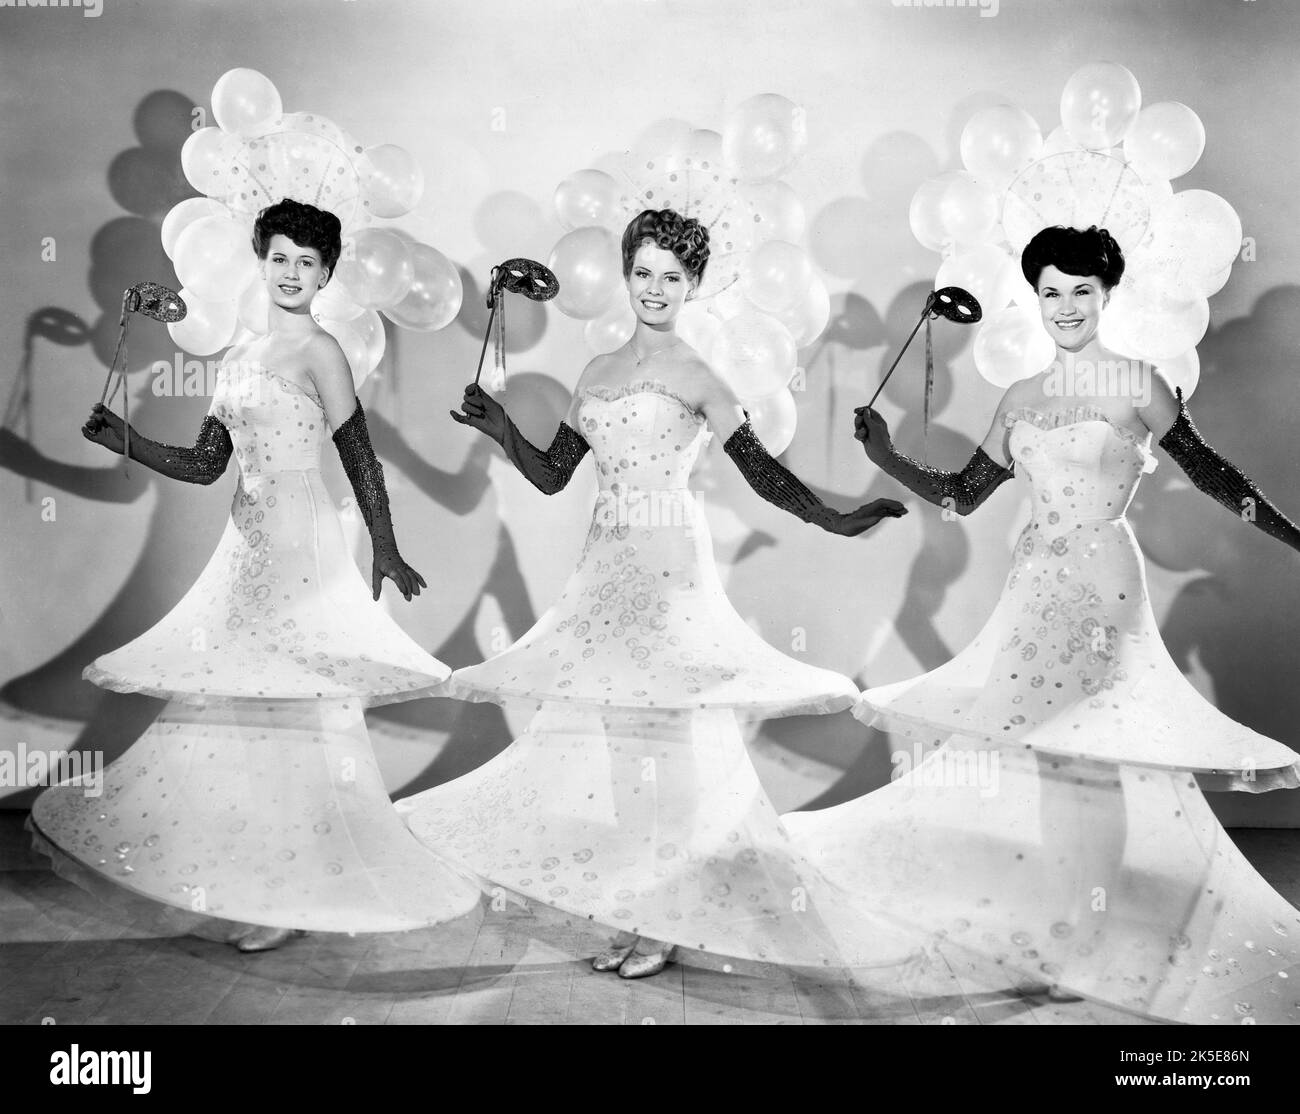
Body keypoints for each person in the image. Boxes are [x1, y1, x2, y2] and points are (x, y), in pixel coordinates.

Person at [785, 225, 1300, 1023]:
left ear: (1106, 294)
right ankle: (1068, 927)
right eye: (1051, 292)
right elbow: (963, 497)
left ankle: (1086, 938)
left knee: (1095, 756)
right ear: (1036, 298)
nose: (1065, 307)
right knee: (1043, 757)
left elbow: (1213, 473)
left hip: (1102, 585)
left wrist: (1297, 537)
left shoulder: (1140, 383)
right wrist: (886, 455)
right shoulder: (1021, 398)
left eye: (1081, 291)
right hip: (1031, 589)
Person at [397, 208, 916, 980]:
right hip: (605, 569)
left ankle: (663, 920)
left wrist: (839, 519)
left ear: (694, 286)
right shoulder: (597, 373)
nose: (655, 289)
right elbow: (552, 475)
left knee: (665, 750)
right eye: (643, 273)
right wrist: (499, 426)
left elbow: (764, 474)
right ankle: (641, 910)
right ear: (626, 274)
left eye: (672, 277)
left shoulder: (701, 378)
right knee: (620, 748)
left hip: (671, 566)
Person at [29, 198, 480, 951]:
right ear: (261, 261)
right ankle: (251, 877)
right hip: (245, 545)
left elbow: (358, 455)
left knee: (298, 709)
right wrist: (128, 439)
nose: (292, 273)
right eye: (280, 258)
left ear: (327, 273)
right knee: (245, 707)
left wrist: (386, 546)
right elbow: (207, 465)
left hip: (303, 545)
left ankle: (291, 893)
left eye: (308, 262)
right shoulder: (239, 357)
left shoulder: (323, 353)